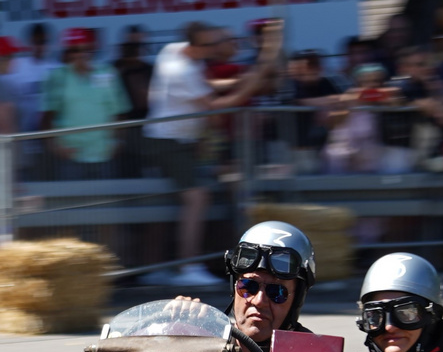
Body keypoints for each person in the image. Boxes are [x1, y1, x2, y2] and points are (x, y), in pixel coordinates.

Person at [144, 20, 283, 286]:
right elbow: (216, 108)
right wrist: (250, 85)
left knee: (180, 200)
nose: (216, 48)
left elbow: (208, 86)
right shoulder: (181, 69)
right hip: (170, 142)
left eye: (218, 41)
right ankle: (188, 266)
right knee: (197, 198)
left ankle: (166, 266)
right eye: (211, 44)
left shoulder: (175, 51)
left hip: (181, 142)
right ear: (196, 46)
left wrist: (246, 78)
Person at [42, 28, 128, 177]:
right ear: (67, 53)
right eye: (75, 50)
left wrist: (118, 143)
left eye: (86, 49)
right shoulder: (57, 76)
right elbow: (47, 115)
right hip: (71, 154)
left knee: (109, 198)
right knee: (73, 199)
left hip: (104, 152)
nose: (81, 54)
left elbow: (119, 112)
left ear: (93, 49)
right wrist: (55, 147)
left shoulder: (107, 72)